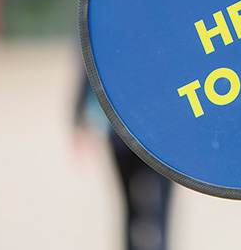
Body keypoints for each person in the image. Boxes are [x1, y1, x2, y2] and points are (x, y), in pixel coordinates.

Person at [74, 72, 174, 250]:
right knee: (152, 208)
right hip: (149, 135)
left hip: (133, 133)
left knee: (141, 208)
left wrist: (78, 121)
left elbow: (87, 69)